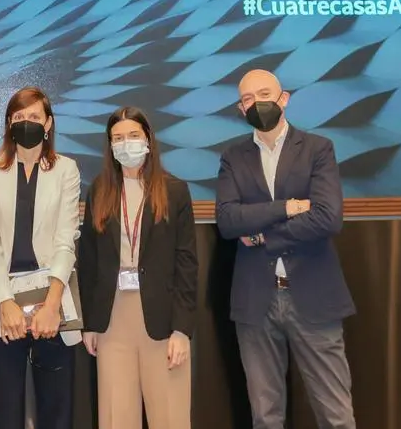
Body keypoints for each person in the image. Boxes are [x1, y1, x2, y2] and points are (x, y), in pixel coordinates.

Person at [215, 69, 357, 429]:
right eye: (248, 99)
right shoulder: (233, 157)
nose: (256, 103)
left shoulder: (317, 149)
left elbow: (327, 218)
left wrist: (264, 237)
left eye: (264, 94)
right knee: (265, 417)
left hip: (314, 295)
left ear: (284, 98)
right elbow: (229, 221)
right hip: (255, 300)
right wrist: (288, 207)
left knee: (336, 415)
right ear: (240, 108)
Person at [78, 106, 197, 429]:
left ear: (148, 140)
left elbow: (187, 263)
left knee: (170, 417)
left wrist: (182, 330)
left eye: (133, 135)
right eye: (117, 138)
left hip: (162, 321)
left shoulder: (174, 191)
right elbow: (88, 261)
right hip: (112, 321)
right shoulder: (99, 191)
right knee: (116, 418)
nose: (125, 144)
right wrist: (90, 324)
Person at [0, 86, 82, 429]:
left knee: (57, 414)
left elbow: (66, 241)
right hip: (4, 307)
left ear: (48, 123)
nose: (26, 122)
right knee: (4, 415)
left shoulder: (66, 169)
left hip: (52, 306)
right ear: (9, 123)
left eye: (34, 116)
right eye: (18, 117)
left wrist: (51, 306)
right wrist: (5, 303)